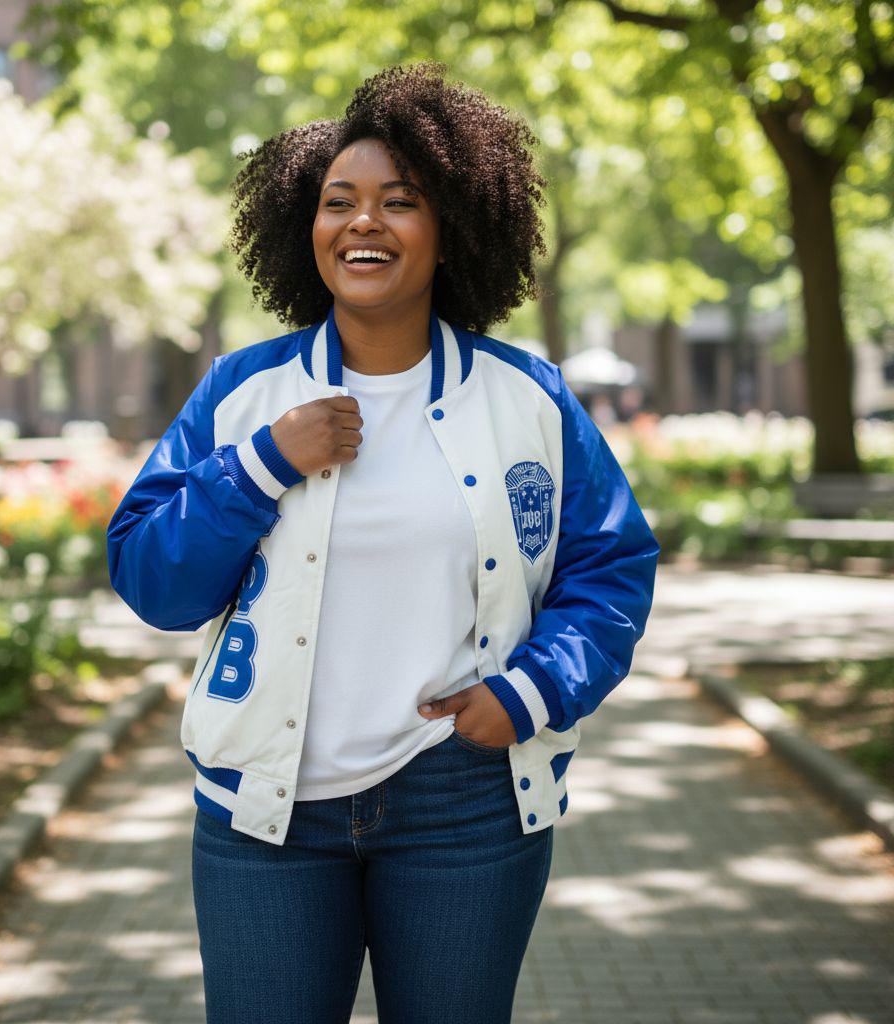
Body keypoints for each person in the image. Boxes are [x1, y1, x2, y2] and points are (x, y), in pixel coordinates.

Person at [107, 61, 659, 1024]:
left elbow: (610, 566)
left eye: (399, 202)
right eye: (339, 202)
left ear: (450, 230)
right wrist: (262, 464)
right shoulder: (247, 394)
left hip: (466, 803)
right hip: (266, 811)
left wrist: (530, 694)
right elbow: (154, 581)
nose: (363, 222)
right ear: (306, 229)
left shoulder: (528, 397)